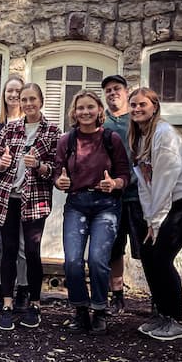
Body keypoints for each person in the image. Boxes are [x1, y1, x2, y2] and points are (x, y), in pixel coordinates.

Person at [128, 87, 182, 341]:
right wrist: (150, 219)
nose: (137, 109)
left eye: (142, 104)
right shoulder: (139, 139)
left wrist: (157, 220)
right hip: (169, 201)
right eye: (133, 105)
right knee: (149, 254)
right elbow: (145, 185)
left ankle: (178, 320)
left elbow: (165, 179)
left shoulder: (164, 134)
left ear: (154, 107)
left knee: (161, 257)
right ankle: (162, 314)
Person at [53, 89, 130, 333]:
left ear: (99, 111)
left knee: (97, 259)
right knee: (73, 261)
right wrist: (59, 182)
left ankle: (100, 310)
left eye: (90, 107)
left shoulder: (111, 139)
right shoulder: (67, 140)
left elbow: (125, 175)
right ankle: (80, 311)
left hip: (106, 205)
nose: (85, 112)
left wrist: (115, 184)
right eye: (80, 108)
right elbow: (57, 173)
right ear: (74, 113)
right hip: (77, 204)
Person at [0, 83, 61, 330]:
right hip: (8, 197)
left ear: (40, 101)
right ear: (19, 102)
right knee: (9, 249)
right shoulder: (10, 128)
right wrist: (2, 163)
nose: (28, 103)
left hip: (36, 199)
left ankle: (34, 304)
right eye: (24, 99)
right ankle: (8, 303)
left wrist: (39, 166)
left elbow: (55, 170)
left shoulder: (53, 131)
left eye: (33, 99)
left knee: (31, 251)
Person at [101, 75, 148, 315]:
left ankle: (158, 299)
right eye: (108, 90)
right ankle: (117, 296)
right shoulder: (102, 122)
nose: (112, 93)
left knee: (148, 249)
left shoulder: (137, 120)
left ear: (126, 92)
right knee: (114, 250)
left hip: (139, 196)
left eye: (116, 89)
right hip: (112, 198)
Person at [0, 74, 29, 312]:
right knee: (0, 246)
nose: (13, 95)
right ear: (3, 96)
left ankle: (23, 289)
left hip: (25, 196)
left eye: (18, 91)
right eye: (9, 91)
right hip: (0, 195)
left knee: (24, 246)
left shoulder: (31, 127)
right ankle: (2, 288)